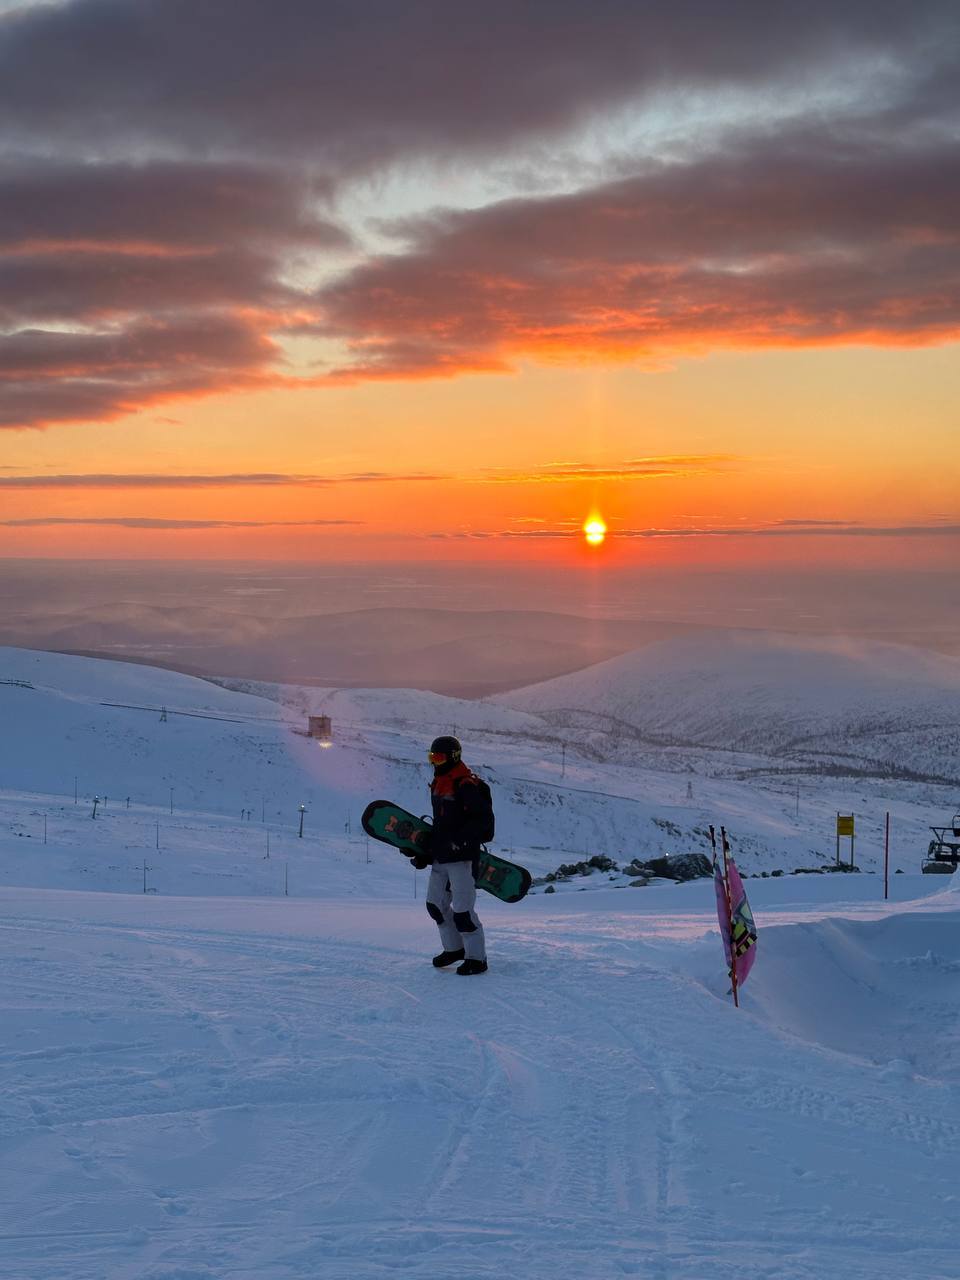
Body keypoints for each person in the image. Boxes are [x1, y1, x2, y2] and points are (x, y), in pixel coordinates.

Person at [411, 735, 489, 976]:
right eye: (432, 757)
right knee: (436, 906)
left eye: (439, 757)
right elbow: (441, 826)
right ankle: (454, 949)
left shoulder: (466, 784)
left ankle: (477, 958)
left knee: (463, 911)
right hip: (441, 857)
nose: (435, 762)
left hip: (462, 859)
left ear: (454, 756)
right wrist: (425, 852)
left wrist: (461, 840)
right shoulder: (440, 782)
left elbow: (485, 824)